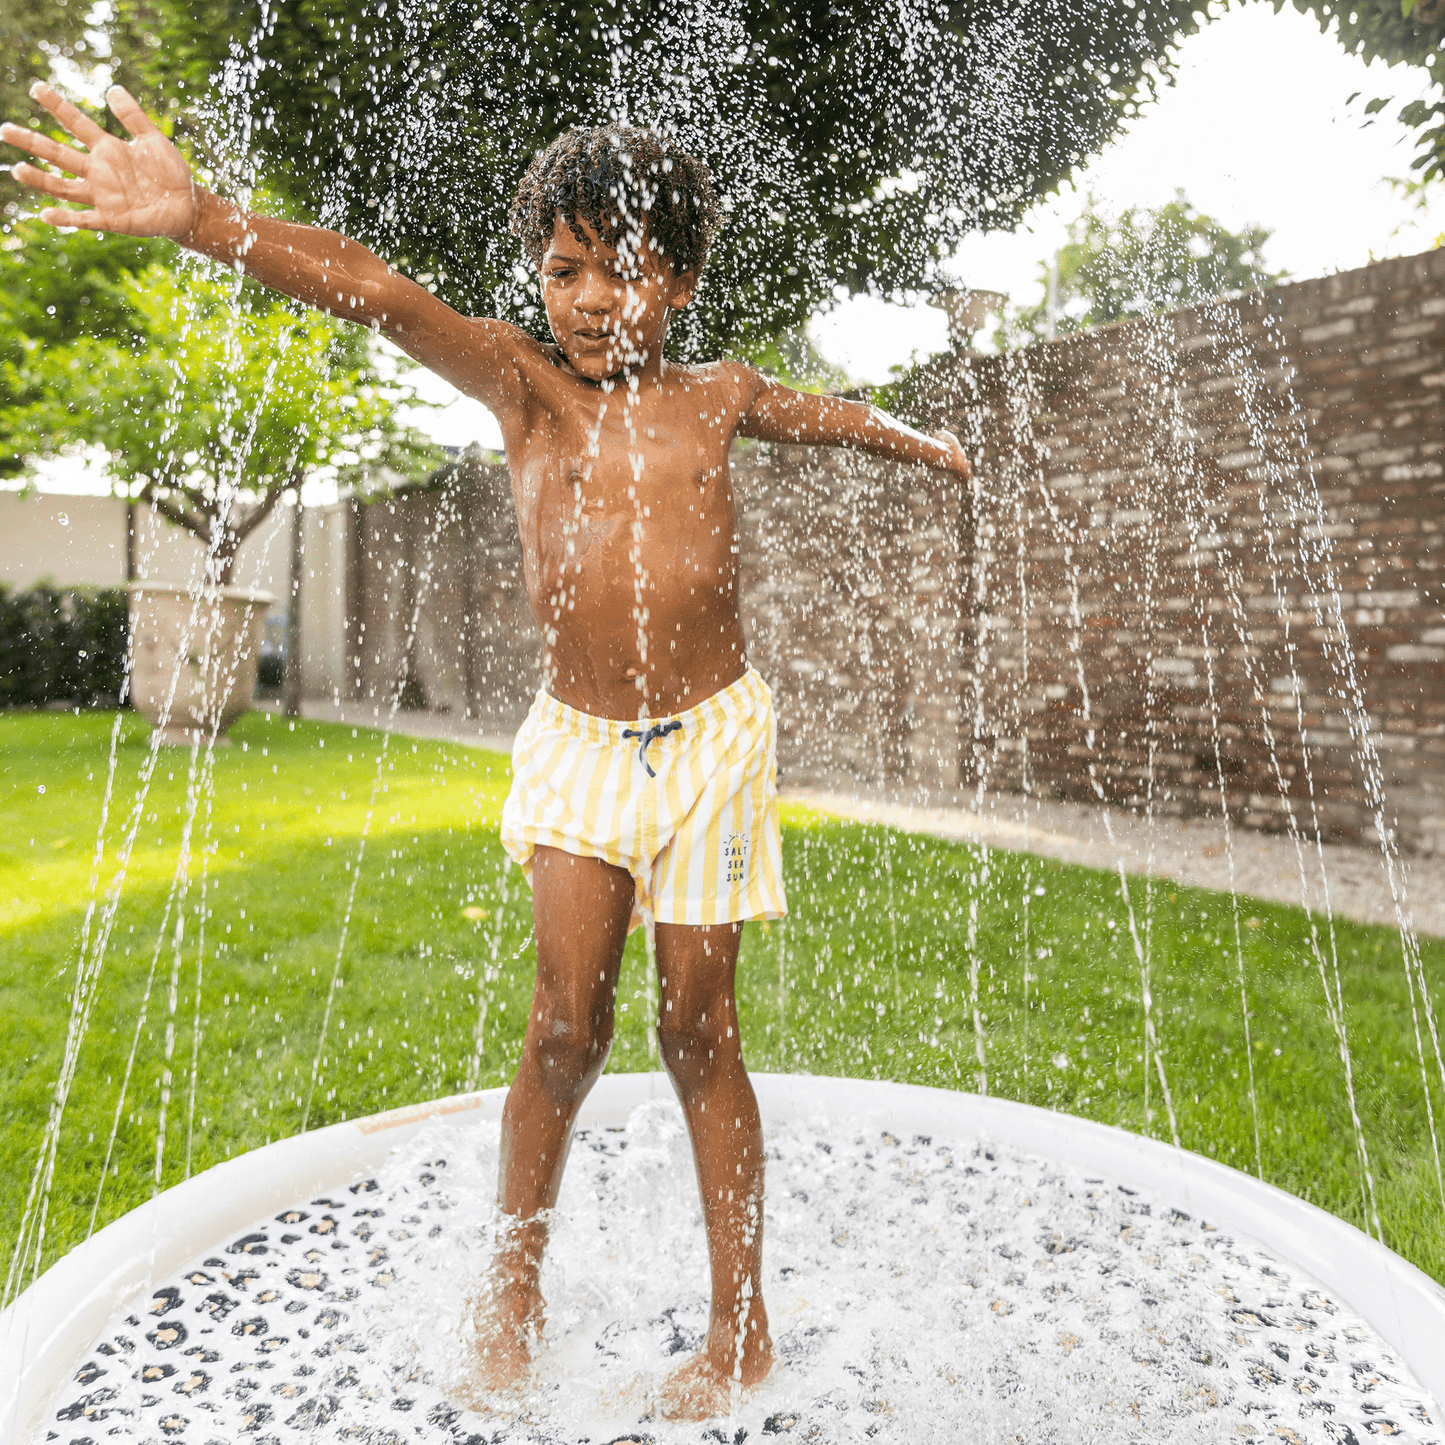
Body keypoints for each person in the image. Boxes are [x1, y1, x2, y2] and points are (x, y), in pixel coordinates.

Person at [2, 83, 972, 1420]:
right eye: (559, 268)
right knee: (564, 1030)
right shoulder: (526, 392)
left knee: (700, 1031)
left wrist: (924, 443)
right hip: (579, 750)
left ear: (678, 280)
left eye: (618, 269)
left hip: (715, 747)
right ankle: (511, 1299)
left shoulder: (716, 395)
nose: (584, 297)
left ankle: (738, 1329)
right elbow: (384, 297)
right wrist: (202, 219)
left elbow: (829, 412)